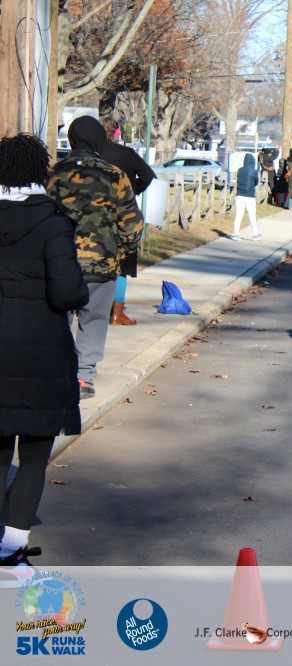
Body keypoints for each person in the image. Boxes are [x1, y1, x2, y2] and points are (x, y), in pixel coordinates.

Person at [0, 133, 89, 568]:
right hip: (42, 353)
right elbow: (68, 293)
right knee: (34, 453)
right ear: (41, 171)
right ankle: (12, 546)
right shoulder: (53, 222)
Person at [47, 116, 144, 400]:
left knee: (59, 319)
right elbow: (132, 225)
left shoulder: (53, 174)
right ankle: (83, 377)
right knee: (94, 320)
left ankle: (59, 373)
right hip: (102, 264)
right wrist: (119, 252)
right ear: (99, 141)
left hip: (60, 262)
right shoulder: (114, 175)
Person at [99, 117, 156, 326]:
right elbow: (148, 175)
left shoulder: (95, 154)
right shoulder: (127, 154)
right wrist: (133, 191)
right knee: (123, 263)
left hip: (97, 214)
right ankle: (117, 311)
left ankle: (95, 305)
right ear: (116, 132)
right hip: (124, 214)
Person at [230, 153, 260, 241]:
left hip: (239, 195)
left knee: (238, 216)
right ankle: (255, 235)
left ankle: (236, 234)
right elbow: (256, 182)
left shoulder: (240, 170)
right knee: (252, 216)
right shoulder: (254, 171)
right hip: (250, 196)